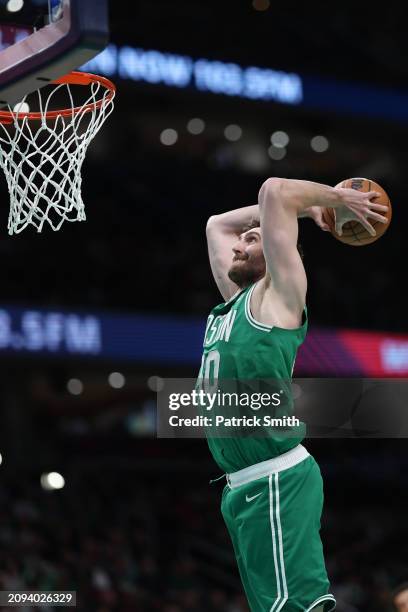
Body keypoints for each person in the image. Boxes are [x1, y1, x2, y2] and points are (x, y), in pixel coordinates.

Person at [200, 178, 389, 612]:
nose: (239, 243)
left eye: (255, 236)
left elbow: (274, 191)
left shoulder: (278, 298)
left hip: (277, 480)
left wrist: (333, 200)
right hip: (241, 487)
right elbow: (215, 226)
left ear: (279, 252)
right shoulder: (235, 304)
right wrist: (307, 209)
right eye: (245, 237)